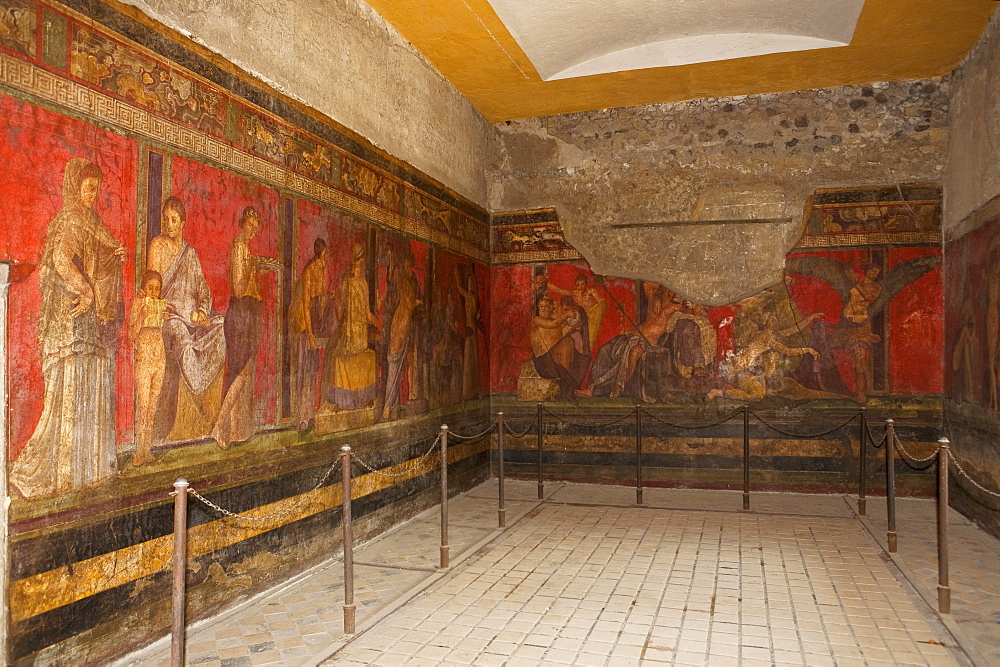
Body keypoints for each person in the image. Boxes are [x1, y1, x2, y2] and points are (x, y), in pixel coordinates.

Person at [11, 158, 125, 498]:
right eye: (87, 187)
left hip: (91, 320)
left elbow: (94, 262)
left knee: (91, 379)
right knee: (71, 389)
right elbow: (61, 261)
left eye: (95, 188)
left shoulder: (93, 220)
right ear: (75, 187)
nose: (92, 194)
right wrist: (86, 289)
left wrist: (112, 256)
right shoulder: (71, 219)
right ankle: (63, 474)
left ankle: (88, 471)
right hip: (72, 315)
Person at [147, 196, 226, 442]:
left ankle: (207, 408)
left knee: (222, 326)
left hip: (193, 318)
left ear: (183, 223)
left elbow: (202, 288)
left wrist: (203, 311)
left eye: (174, 220)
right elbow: (152, 286)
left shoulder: (190, 254)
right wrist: (169, 310)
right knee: (181, 337)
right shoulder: (157, 246)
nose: (169, 225)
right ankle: (209, 413)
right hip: (170, 317)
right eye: (166, 220)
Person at [212, 206, 280, 447]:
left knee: (246, 370)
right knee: (239, 371)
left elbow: (252, 288)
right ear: (243, 223)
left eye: (256, 225)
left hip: (250, 312)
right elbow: (239, 289)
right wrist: (254, 266)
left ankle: (235, 429)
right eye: (250, 224)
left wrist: (259, 269)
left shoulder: (247, 250)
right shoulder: (239, 248)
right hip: (241, 314)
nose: (254, 229)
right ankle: (220, 425)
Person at [322, 243, 379, 412]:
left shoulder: (361, 283)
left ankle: (361, 398)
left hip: (357, 335)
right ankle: (346, 400)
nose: (359, 266)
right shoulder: (351, 282)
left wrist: (378, 324)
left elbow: (366, 314)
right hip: (352, 335)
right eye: (358, 262)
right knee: (339, 358)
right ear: (354, 261)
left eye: (360, 263)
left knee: (362, 357)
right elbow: (343, 311)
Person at [291, 237, 332, 430]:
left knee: (312, 370)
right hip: (303, 326)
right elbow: (307, 306)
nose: (326, 260)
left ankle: (310, 413)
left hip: (314, 324)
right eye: (325, 257)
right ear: (319, 255)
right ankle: (302, 417)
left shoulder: (322, 271)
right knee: (304, 370)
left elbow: (322, 299)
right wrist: (310, 334)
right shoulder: (309, 272)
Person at [129, 270, 167, 466]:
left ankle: (147, 449)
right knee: (143, 406)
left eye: (157, 288)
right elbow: (131, 334)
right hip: (144, 360)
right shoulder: (139, 304)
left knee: (152, 407)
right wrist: (141, 317)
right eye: (150, 288)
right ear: (144, 288)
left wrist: (165, 320)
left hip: (159, 358)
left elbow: (162, 332)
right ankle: (138, 451)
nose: (154, 291)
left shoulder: (161, 306)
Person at [382, 252, 423, 420]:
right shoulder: (404, 283)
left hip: (406, 328)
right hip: (399, 328)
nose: (408, 269)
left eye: (409, 266)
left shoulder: (410, 283)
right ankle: (387, 405)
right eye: (405, 266)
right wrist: (418, 303)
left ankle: (392, 406)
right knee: (394, 366)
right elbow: (408, 303)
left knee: (400, 368)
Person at [530, 297, 590, 401]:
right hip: (544, 361)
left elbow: (559, 326)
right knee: (567, 342)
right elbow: (552, 324)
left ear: (551, 308)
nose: (544, 309)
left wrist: (573, 325)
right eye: (542, 306)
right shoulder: (537, 320)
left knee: (571, 339)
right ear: (538, 307)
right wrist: (566, 315)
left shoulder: (555, 321)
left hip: (555, 360)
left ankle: (569, 387)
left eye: (547, 307)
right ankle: (570, 387)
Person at [549, 274, 607, 353]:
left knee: (590, 341)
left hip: (592, 319)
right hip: (580, 319)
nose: (580, 287)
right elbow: (560, 291)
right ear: (575, 285)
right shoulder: (574, 293)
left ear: (586, 284)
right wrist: (548, 284)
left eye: (582, 284)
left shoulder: (591, 291)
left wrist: (594, 314)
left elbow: (601, 303)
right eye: (578, 285)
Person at [455, 266, 480, 400]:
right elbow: (459, 287)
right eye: (468, 282)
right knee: (469, 356)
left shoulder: (472, 297)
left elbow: (460, 288)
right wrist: (456, 272)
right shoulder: (469, 296)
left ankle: (472, 390)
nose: (470, 285)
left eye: (471, 283)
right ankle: (468, 390)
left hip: (472, 327)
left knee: (472, 356)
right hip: (470, 327)